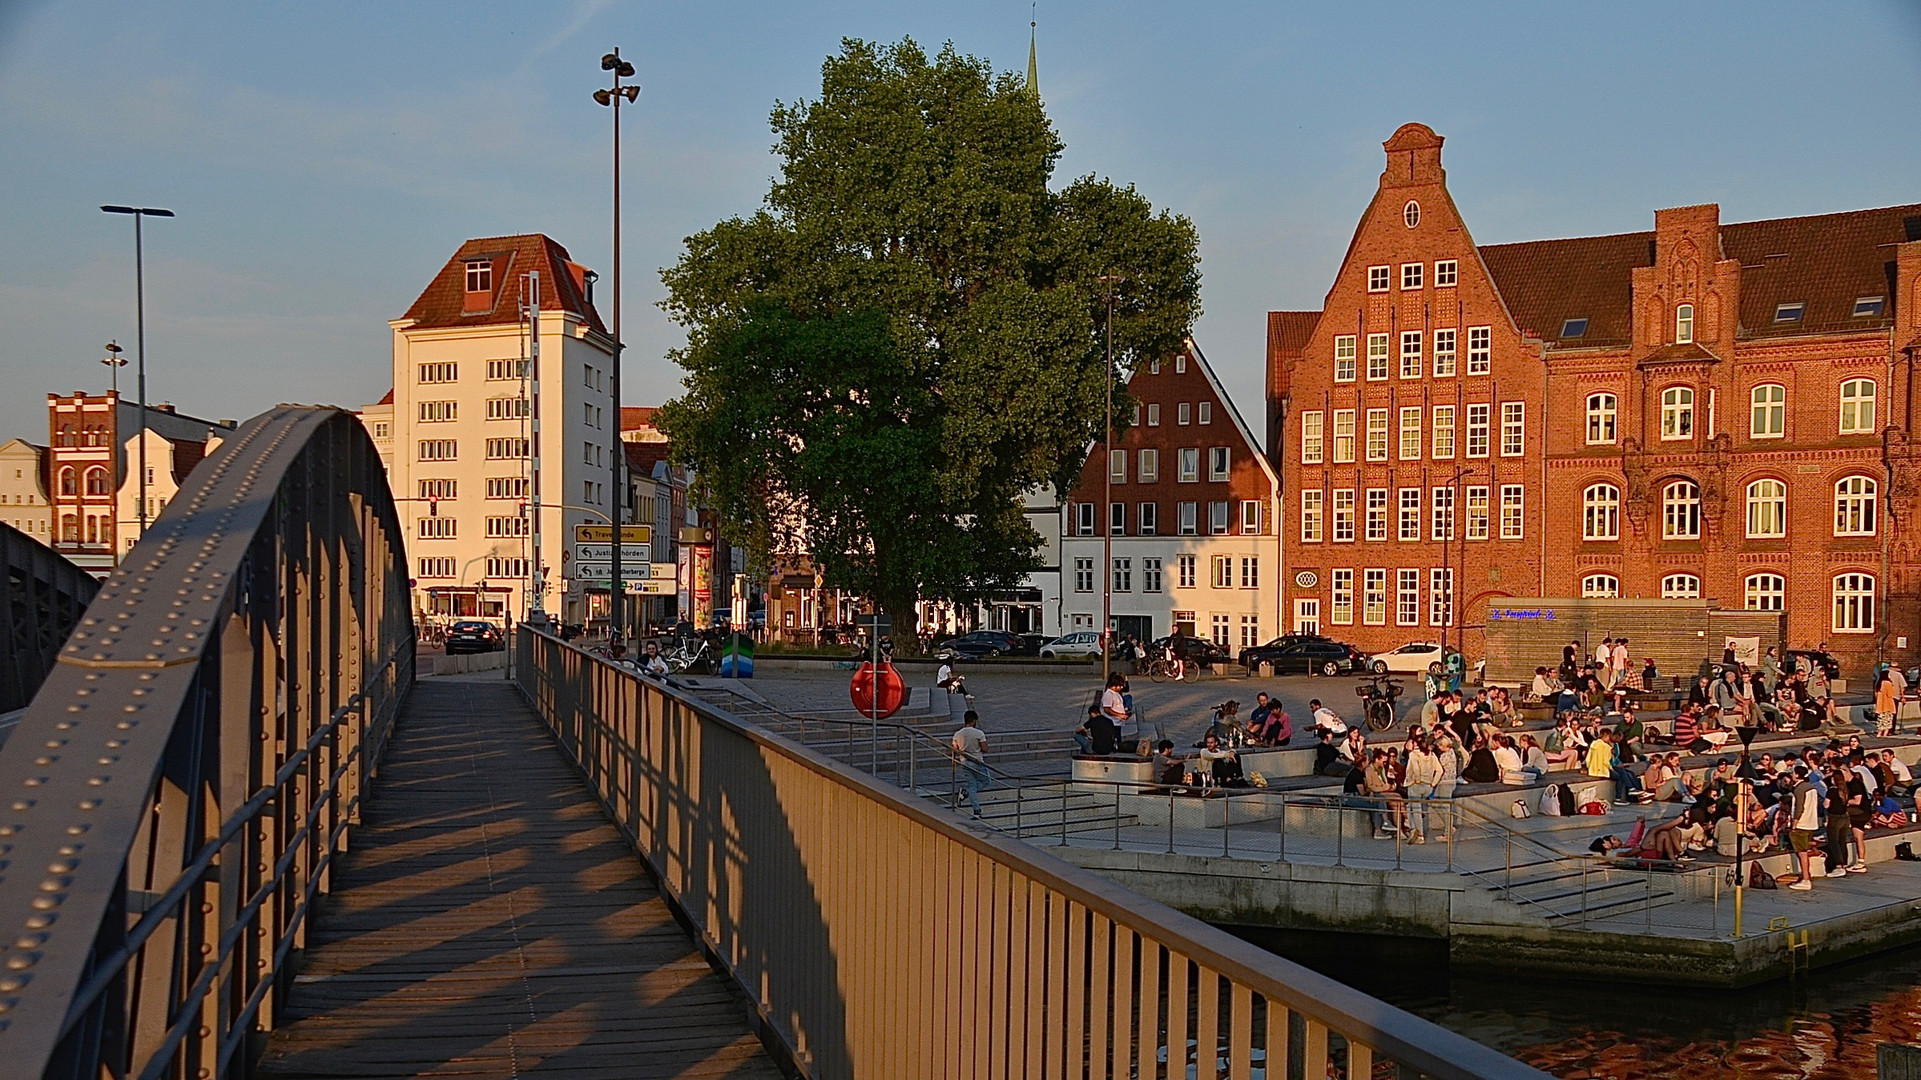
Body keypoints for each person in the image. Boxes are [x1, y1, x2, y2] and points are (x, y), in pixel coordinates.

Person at [951, 710, 991, 818]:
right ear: (973, 721)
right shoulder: (979, 733)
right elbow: (985, 749)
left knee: (972, 784)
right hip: (977, 761)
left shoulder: (957, 734)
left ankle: (976, 809)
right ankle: (966, 793)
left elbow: (955, 749)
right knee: (986, 781)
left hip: (964, 762)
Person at [1787, 765, 1821, 889]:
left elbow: (1799, 808)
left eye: (1792, 773)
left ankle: (1806, 879)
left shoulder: (1799, 789)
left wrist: (1794, 824)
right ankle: (1806, 875)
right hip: (1812, 823)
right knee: (1805, 851)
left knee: (1801, 852)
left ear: (1797, 775)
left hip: (1802, 824)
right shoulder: (1812, 788)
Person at [1098, 673, 1130, 749]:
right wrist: (1119, 715)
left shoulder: (1116, 693)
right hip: (1113, 722)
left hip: (1118, 722)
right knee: (1114, 739)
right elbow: (1107, 709)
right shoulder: (1108, 694)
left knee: (1118, 739)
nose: (1121, 687)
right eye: (1120, 686)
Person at [1875, 669, 1898, 738]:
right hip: (1888, 705)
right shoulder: (1888, 683)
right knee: (1887, 722)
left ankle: (1879, 734)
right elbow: (1890, 694)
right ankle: (1885, 735)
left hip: (1880, 706)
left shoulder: (1879, 683)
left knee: (1881, 721)